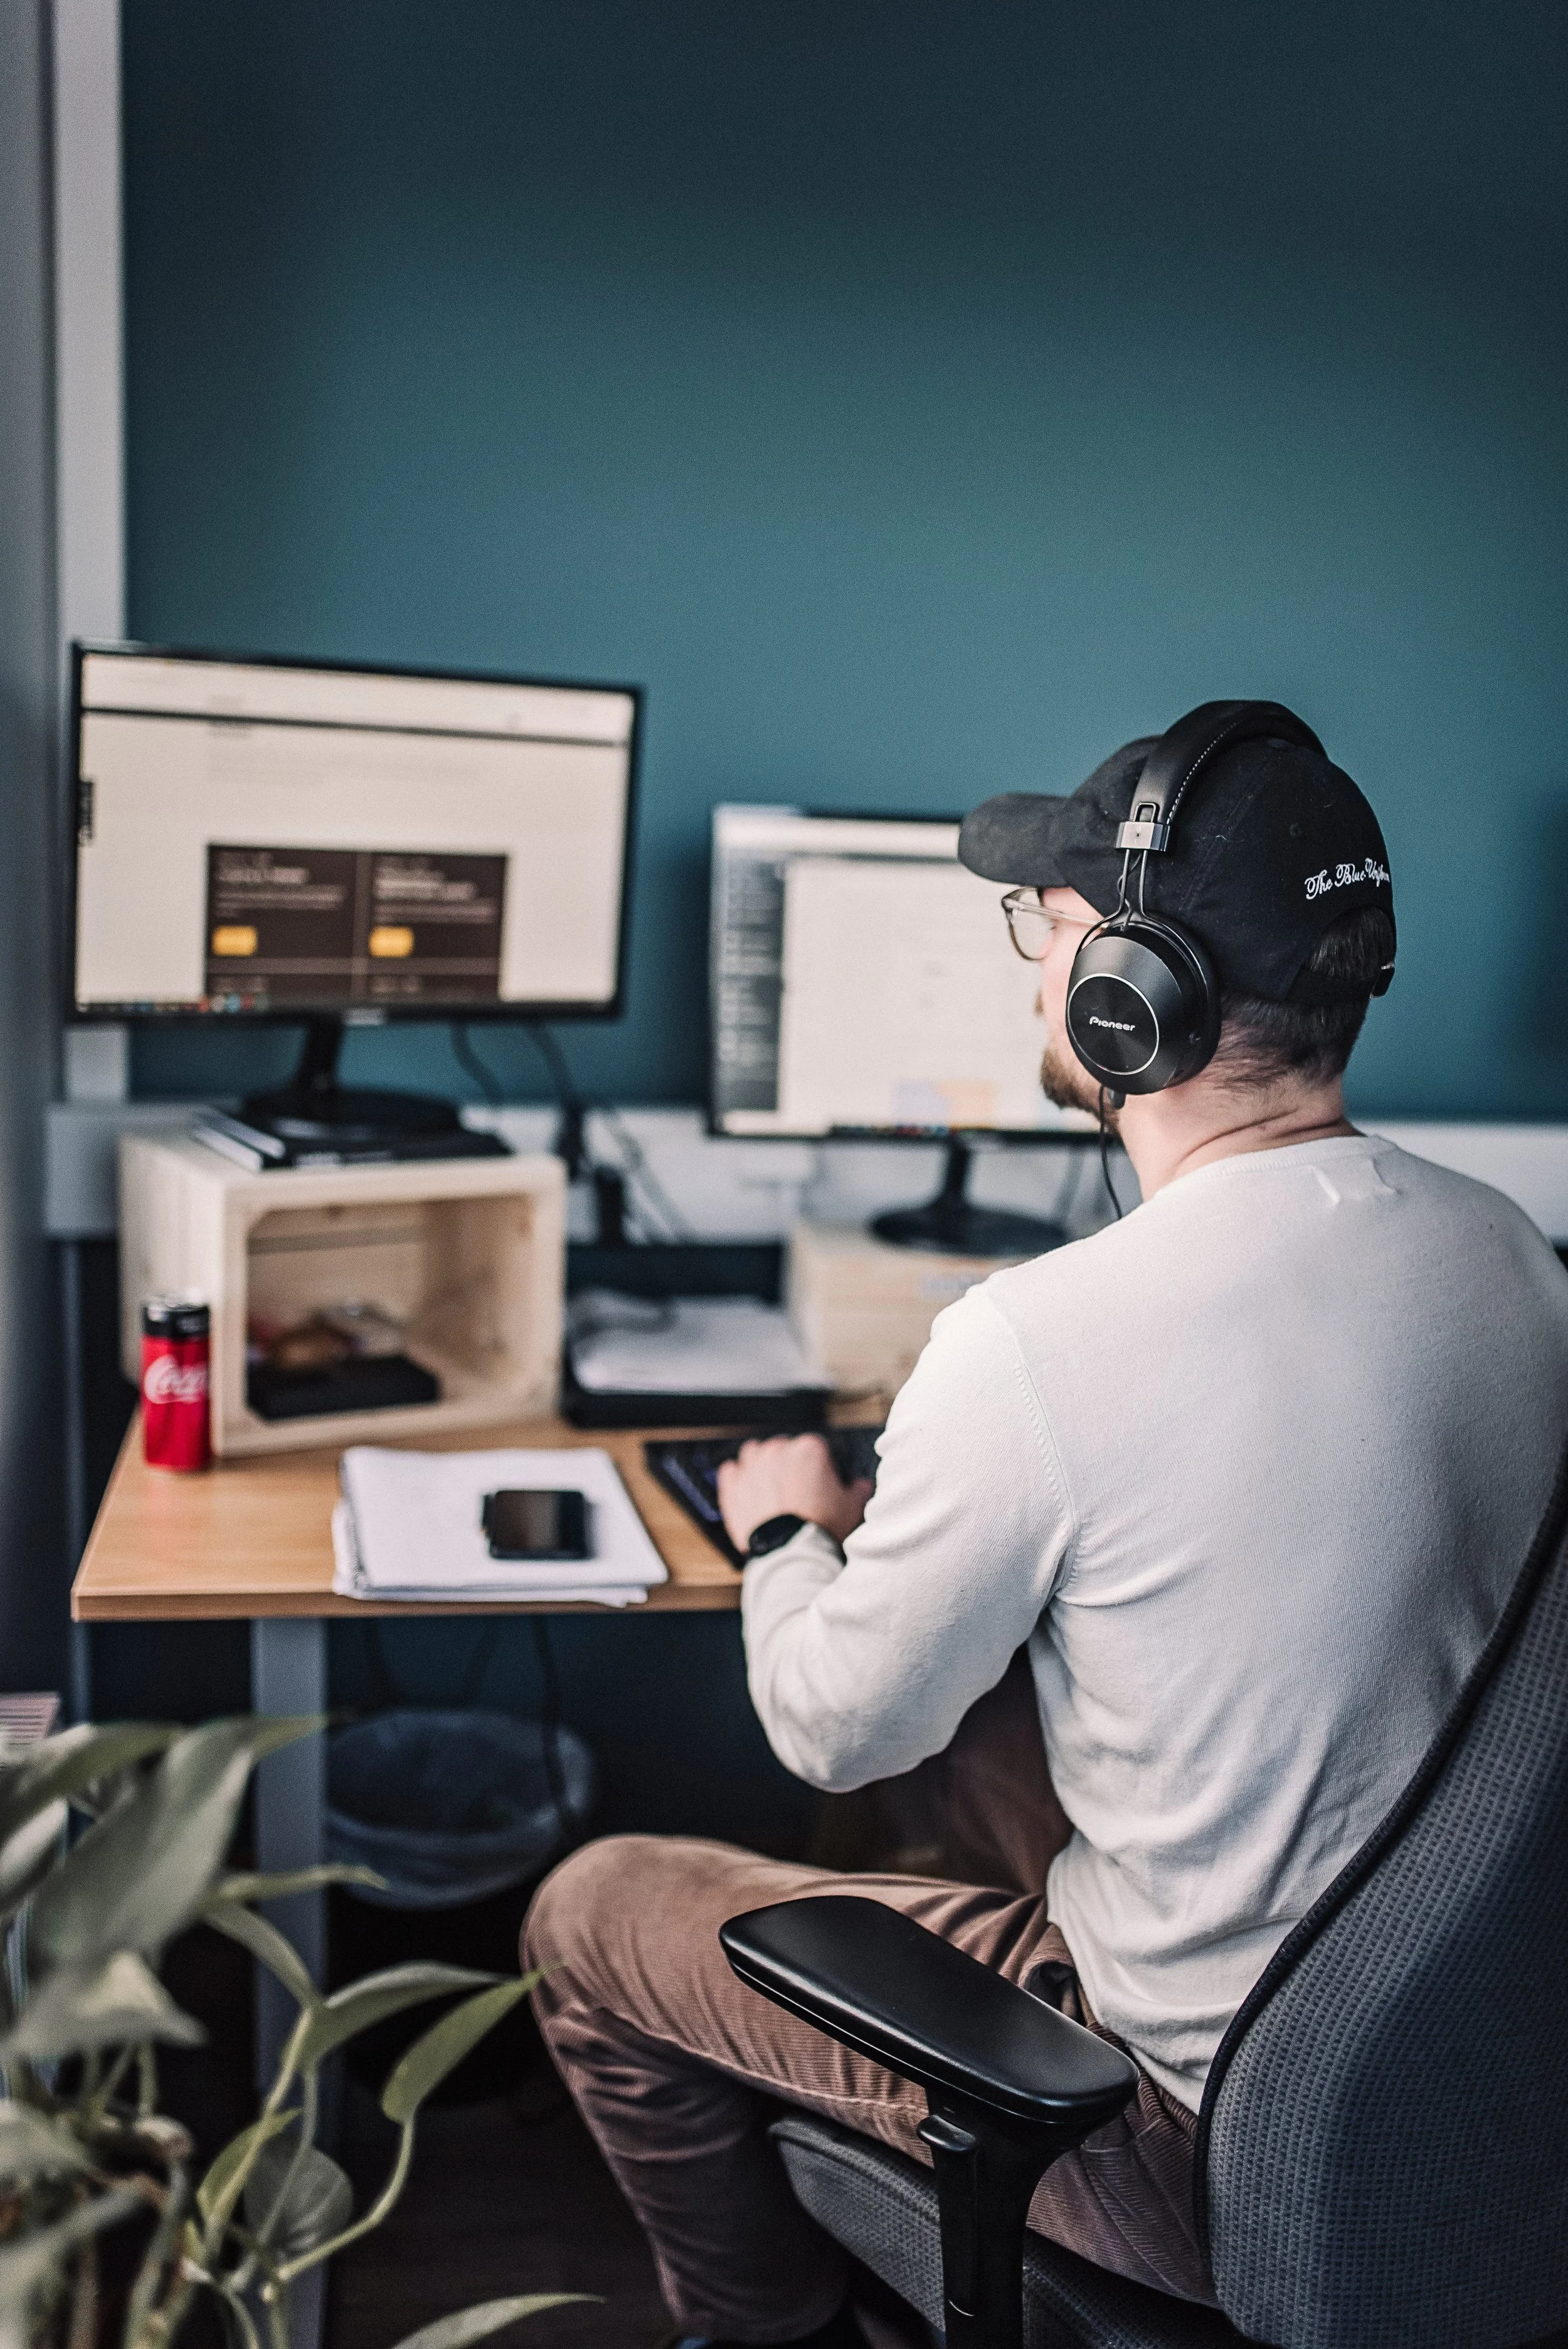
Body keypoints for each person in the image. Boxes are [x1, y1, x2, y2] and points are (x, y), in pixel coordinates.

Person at [523, 707, 1568, 2349]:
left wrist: (792, 1535)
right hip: (1457, 2073)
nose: (1032, 971)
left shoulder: (1038, 1340)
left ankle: (767, 2324)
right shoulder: (1507, 1254)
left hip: (1196, 2141)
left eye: (1051, 927)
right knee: (971, 1721)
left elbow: (825, 1729)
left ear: (1126, 997)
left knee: (589, 1913)